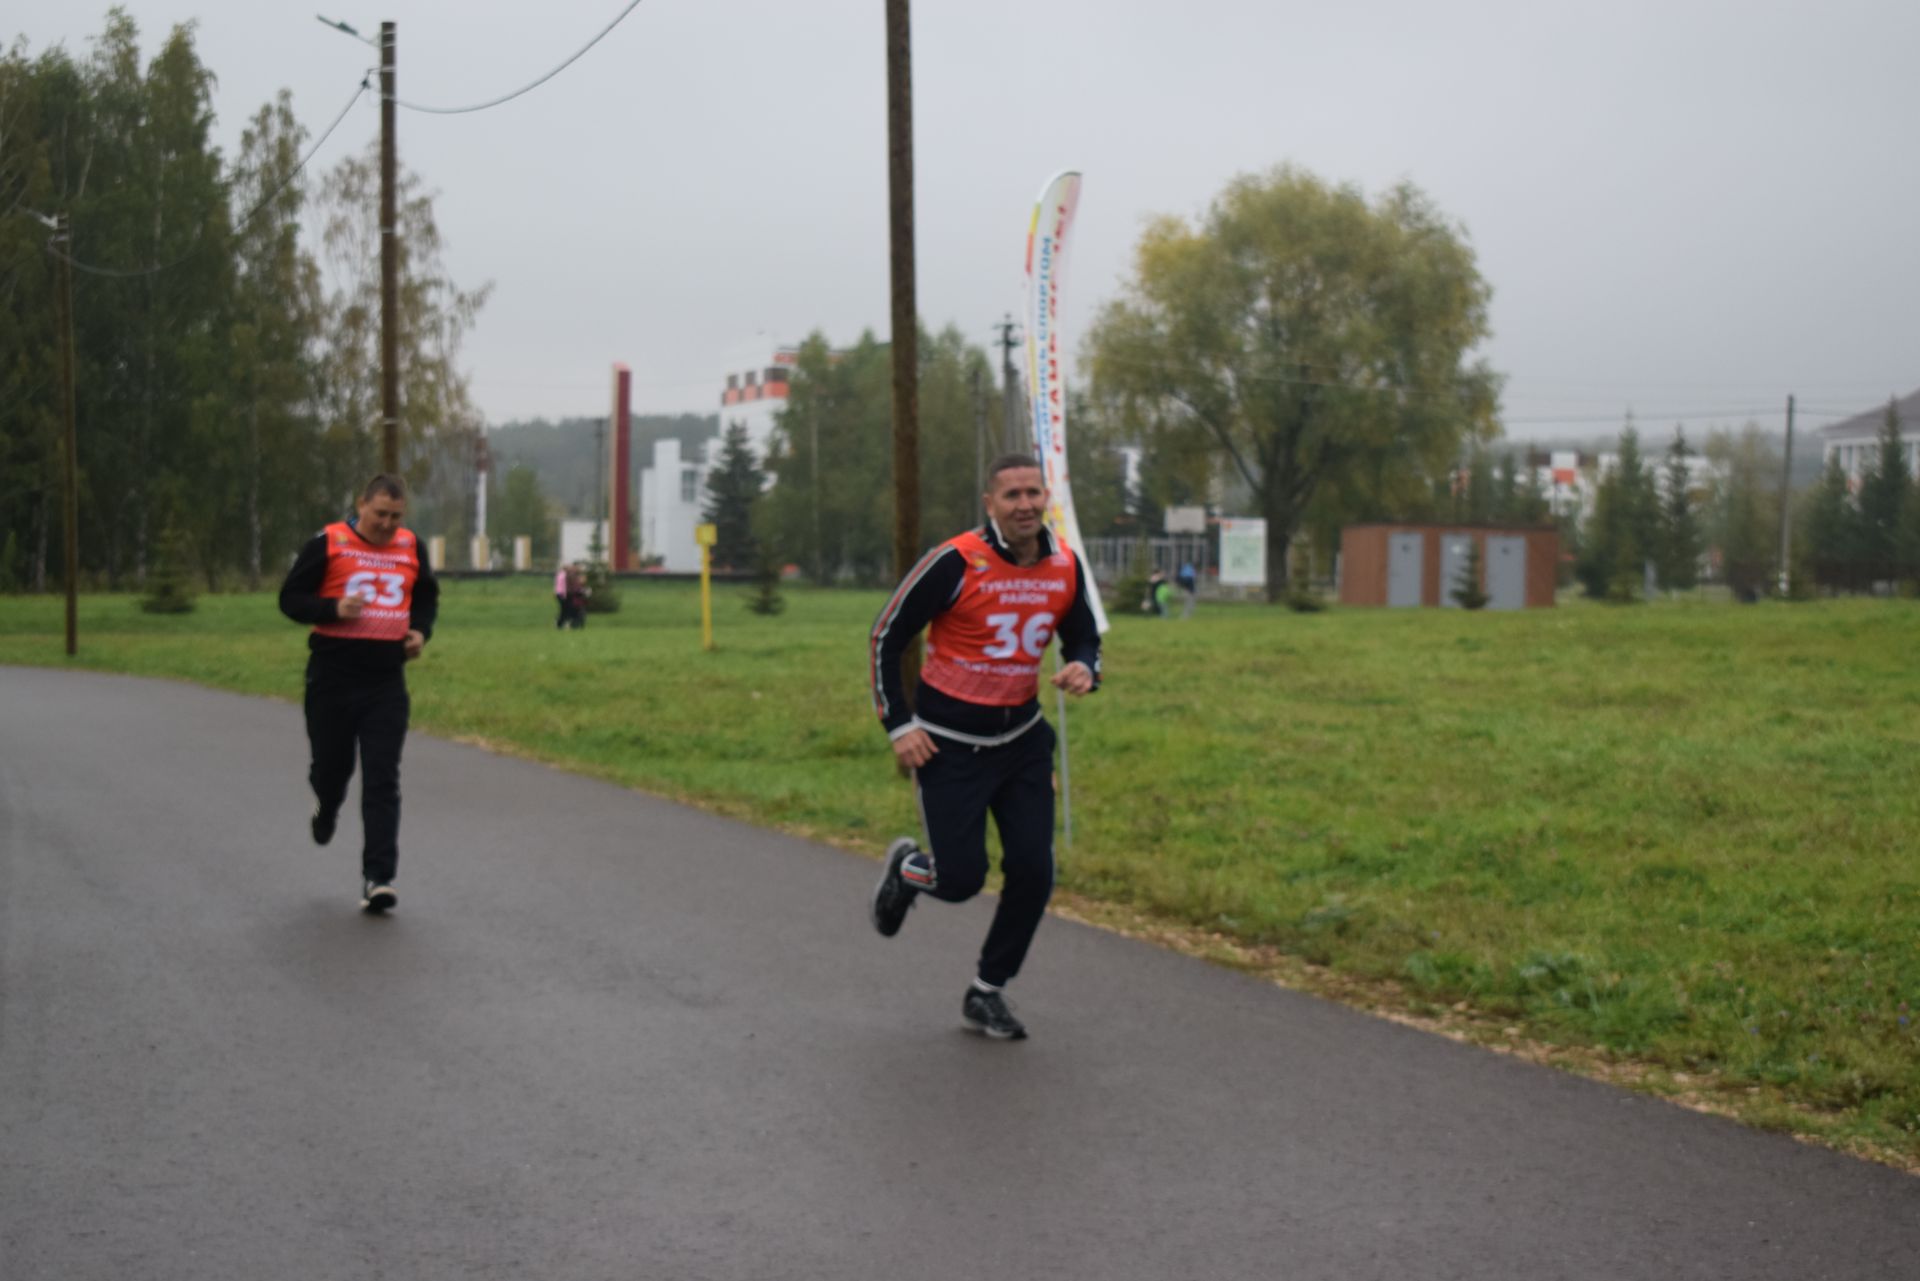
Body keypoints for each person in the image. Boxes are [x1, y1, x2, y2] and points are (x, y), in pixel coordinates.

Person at [867, 454, 1102, 1040]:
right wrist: (899, 724)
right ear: (990, 504)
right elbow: (886, 637)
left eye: (1033, 492)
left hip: (1022, 743)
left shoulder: (1064, 564)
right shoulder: (953, 562)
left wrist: (1084, 666)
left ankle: (987, 991)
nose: (1024, 504)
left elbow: (1083, 633)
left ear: (1045, 497)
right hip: (947, 745)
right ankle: (908, 870)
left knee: (1033, 871)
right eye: (1011, 495)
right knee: (959, 879)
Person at [278, 474, 439, 913]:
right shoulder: (329, 542)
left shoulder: (410, 547)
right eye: (380, 514)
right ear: (361, 505)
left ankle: (379, 877)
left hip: (385, 682)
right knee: (333, 769)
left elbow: (425, 597)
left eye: (396, 516)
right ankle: (326, 806)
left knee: (383, 778)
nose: (388, 524)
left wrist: (421, 631)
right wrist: (332, 609)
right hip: (331, 678)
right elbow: (290, 599)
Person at [554, 562, 571, 629]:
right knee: (564, 609)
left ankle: (559, 622)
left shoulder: (559, 574)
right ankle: (560, 622)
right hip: (562, 594)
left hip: (558, 593)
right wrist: (565, 595)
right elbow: (564, 586)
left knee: (563, 609)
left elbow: (556, 585)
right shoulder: (564, 576)